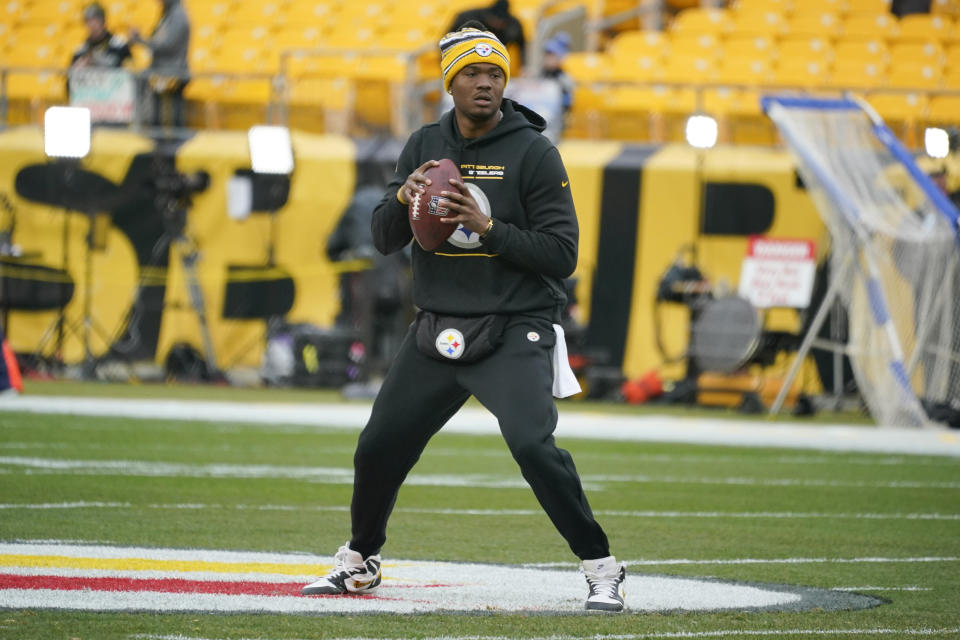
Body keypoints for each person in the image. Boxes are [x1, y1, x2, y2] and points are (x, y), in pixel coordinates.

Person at [300, 23, 626, 613]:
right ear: (450, 82)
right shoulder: (424, 142)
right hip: (438, 323)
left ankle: (602, 566)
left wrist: (489, 229)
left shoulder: (533, 150)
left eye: (496, 73)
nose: (485, 84)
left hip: (513, 324)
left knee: (533, 446)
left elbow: (563, 254)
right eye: (472, 73)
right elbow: (382, 236)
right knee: (378, 446)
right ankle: (361, 559)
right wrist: (403, 198)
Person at [129, 0, 190, 128]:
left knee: (171, 118)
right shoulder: (168, 15)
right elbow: (158, 39)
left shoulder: (178, 16)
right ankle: (161, 141)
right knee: (160, 116)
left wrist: (141, 40)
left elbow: (167, 45)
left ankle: (171, 143)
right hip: (162, 72)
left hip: (172, 73)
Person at [449, 0, 526, 73]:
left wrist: (524, 67)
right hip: (464, 59)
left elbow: (522, 46)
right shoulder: (468, 18)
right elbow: (448, 40)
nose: (498, 24)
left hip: (495, 63)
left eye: (502, 22)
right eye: (496, 20)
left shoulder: (513, 25)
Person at [70, 3, 132, 69]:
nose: (93, 25)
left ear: (103, 21)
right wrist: (77, 68)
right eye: (89, 22)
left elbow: (130, 69)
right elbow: (70, 76)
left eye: (96, 21)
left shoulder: (119, 45)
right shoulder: (82, 49)